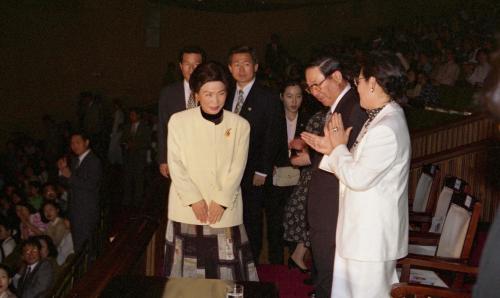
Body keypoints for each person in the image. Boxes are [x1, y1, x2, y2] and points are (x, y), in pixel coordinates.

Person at [302, 51, 410, 298]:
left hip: (370, 239)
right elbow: (355, 164)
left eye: (359, 81)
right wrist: (331, 149)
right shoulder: (382, 118)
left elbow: (357, 178)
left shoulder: (387, 128)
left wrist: (337, 148)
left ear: (373, 83)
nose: (357, 86)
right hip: (359, 235)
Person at [164, 61, 257, 280]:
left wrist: (222, 199)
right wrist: (194, 199)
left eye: (221, 93)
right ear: (196, 94)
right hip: (186, 208)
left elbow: (238, 166)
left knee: (226, 278)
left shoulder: (240, 124)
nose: (215, 101)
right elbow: (175, 164)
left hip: (224, 210)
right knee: (185, 281)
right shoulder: (178, 121)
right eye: (208, 94)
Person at [297, 56, 366, 298]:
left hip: (334, 205)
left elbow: (350, 158)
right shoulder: (339, 106)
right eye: (310, 88)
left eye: (317, 84)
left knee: (330, 274)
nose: (314, 92)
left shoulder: (353, 107)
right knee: (325, 271)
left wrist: (326, 152)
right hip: (326, 205)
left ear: (336, 76)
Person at [224, 45, 285, 263]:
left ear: (256, 67)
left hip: (254, 171)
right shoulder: (224, 94)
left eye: (246, 64)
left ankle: (251, 261)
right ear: (230, 68)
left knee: (251, 217)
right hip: (226, 170)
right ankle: (229, 258)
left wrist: (263, 170)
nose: (241, 69)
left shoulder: (268, 97)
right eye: (237, 64)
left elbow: (274, 135)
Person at [265, 80, 309, 266]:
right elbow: (264, 147)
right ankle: (275, 263)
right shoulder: (272, 118)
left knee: (296, 220)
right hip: (276, 177)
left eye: (298, 96)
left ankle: (293, 259)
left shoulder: (308, 119)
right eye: (289, 96)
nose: (294, 101)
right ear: (282, 97)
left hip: (299, 178)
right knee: (275, 221)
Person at [157, 46, 205, 179]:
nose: (192, 69)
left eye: (196, 64)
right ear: (180, 66)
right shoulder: (168, 93)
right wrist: (163, 159)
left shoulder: (211, 92)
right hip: (177, 158)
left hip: (205, 158)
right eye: (187, 64)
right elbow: (162, 127)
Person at [58, 132, 102, 252]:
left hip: (86, 211)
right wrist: (62, 170)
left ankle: (89, 269)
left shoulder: (93, 161)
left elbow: (91, 185)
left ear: (86, 142)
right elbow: (67, 183)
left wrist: (70, 175)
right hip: (75, 208)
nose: (74, 146)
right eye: (72, 143)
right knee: (78, 244)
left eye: (78, 142)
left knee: (86, 245)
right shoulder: (75, 160)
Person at [120, 108, 152, 207]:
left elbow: (147, 142)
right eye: (130, 115)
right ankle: (127, 199)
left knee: (139, 179)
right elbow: (122, 140)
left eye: (133, 115)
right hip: (129, 157)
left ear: (138, 115)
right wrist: (125, 144)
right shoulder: (127, 127)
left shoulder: (145, 127)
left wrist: (134, 145)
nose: (131, 117)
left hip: (139, 157)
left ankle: (138, 200)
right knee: (127, 179)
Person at [107, 98, 125, 165]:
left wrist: (113, 133)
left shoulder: (118, 112)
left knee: (113, 147)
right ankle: (118, 161)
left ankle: (113, 161)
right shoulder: (120, 112)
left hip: (116, 133)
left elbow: (116, 123)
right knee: (117, 147)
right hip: (117, 132)